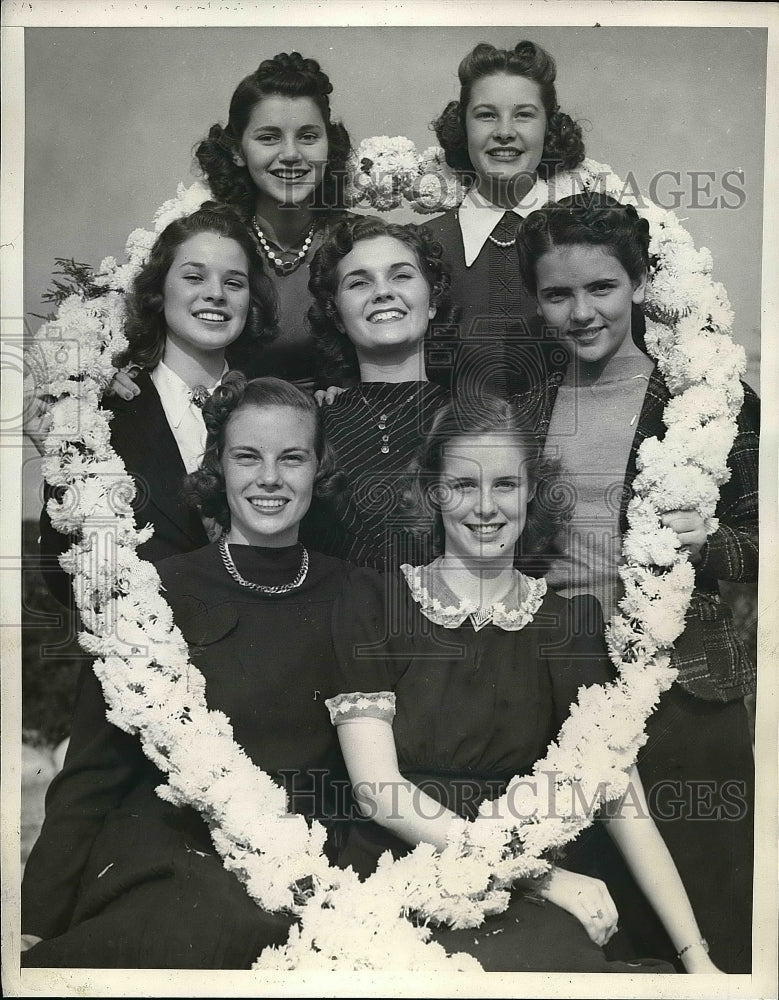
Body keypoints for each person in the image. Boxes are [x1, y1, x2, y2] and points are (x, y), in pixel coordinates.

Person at [324, 396, 720, 973]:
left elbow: (619, 798)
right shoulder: (376, 602)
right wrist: (540, 877)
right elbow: (378, 791)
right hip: (401, 869)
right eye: (463, 484)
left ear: (532, 491)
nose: (485, 507)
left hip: (521, 881)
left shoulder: (568, 623)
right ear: (434, 492)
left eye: (505, 484)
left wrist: (695, 955)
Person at [21, 375, 362, 968]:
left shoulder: (360, 594)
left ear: (319, 469)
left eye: (292, 458)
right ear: (219, 467)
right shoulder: (157, 593)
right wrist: (32, 922)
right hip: (166, 855)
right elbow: (91, 775)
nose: (270, 479)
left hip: (303, 862)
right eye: (247, 457)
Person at [514, 193, 758, 972]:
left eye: (601, 288)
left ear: (640, 284)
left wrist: (714, 544)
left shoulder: (710, 405)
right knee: (599, 933)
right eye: (557, 294)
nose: (580, 312)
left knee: (708, 922)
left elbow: (762, 540)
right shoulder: (521, 412)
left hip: (683, 692)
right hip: (561, 684)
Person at [35, 204, 277, 607]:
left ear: (250, 302)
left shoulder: (280, 410)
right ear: (158, 292)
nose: (215, 293)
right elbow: (64, 571)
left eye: (234, 283)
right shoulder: (96, 415)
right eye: (194, 277)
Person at [423, 39, 588, 399]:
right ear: (462, 127)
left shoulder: (585, 238)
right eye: (486, 115)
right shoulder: (421, 247)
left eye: (524, 114)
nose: (504, 131)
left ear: (549, 127)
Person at [193, 50, 354, 392]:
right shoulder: (212, 242)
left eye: (308, 136)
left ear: (329, 144)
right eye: (269, 137)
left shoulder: (358, 242)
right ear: (237, 150)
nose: (292, 154)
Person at [301, 215, 451, 570]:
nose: (383, 292)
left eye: (401, 275)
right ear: (336, 315)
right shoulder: (311, 425)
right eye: (358, 283)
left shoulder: (473, 421)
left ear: (431, 301)